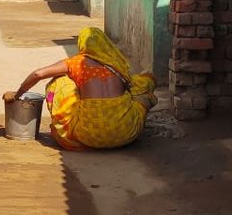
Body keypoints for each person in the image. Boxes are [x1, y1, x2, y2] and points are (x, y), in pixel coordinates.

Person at [11, 27, 156, 150]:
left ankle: (63, 125)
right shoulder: (117, 64)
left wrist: (18, 94)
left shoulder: (77, 63)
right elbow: (133, 85)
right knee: (144, 82)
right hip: (126, 131)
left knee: (59, 81)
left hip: (88, 134)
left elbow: (38, 74)